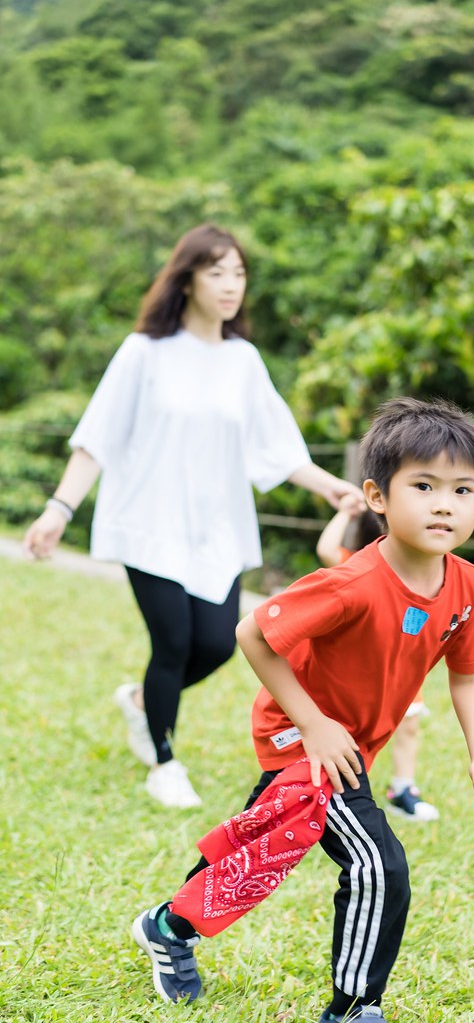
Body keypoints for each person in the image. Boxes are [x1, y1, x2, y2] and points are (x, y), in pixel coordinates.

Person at [131, 396, 474, 1022]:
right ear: (377, 496)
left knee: (264, 839)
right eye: (423, 485)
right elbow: (253, 633)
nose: (444, 503)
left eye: (463, 490)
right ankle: (356, 1008)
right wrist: (315, 725)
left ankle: (168, 927)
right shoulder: (352, 583)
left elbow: (467, 677)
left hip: (348, 741)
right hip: (303, 737)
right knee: (377, 864)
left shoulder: (466, 585)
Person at [22, 223, 363, 810]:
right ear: (187, 280)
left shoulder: (243, 360)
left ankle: (140, 704)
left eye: (238, 272)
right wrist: (59, 508)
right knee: (174, 643)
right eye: (216, 272)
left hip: (218, 528)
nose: (231, 285)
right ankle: (164, 760)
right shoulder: (144, 352)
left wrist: (332, 487)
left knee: (217, 645)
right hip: (148, 522)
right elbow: (97, 437)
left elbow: (277, 446)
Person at [316, 495, 439, 822]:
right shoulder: (357, 566)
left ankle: (403, 789)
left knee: (409, 725)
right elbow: (326, 549)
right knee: (347, 731)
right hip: (356, 674)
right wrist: (345, 511)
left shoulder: (425, 574)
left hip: (403, 671)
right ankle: (324, 784)